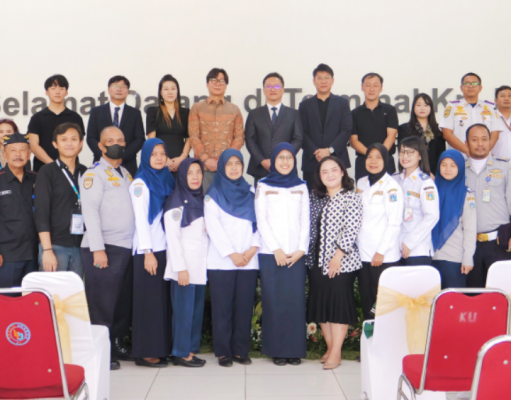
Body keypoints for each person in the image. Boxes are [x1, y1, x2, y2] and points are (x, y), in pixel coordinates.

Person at [80, 126, 135, 371]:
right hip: (105, 247)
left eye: (120, 140)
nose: (116, 144)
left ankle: (116, 343)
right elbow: (90, 212)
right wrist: (98, 248)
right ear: (101, 146)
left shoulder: (125, 172)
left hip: (125, 246)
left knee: (121, 301)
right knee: (102, 303)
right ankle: (100, 350)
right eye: (110, 141)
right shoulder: (94, 174)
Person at [254, 142, 310, 366]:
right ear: (274, 161)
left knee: (294, 302)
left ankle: (294, 350)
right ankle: (277, 350)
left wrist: (301, 249)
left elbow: (305, 220)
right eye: (281, 158)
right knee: (274, 302)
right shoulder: (263, 185)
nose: (285, 162)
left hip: (296, 254)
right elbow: (261, 220)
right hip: (271, 254)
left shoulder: (302, 186)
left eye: (289, 157)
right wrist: (275, 249)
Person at [204, 149, 260, 367]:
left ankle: (240, 350)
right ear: (222, 167)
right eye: (229, 164)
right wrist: (232, 254)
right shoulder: (213, 194)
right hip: (222, 261)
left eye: (238, 163)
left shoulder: (251, 191)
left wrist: (253, 248)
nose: (234, 168)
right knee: (222, 308)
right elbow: (214, 228)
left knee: (244, 307)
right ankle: (223, 351)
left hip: (248, 259)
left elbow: (260, 222)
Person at [306, 156, 362, 369]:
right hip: (317, 261)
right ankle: (331, 348)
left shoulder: (351, 197)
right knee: (322, 305)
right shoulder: (315, 197)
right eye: (324, 171)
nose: (329, 174)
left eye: (334, 170)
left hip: (342, 262)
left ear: (342, 172)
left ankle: (336, 353)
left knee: (338, 306)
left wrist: (338, 256)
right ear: (319, 176)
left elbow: (351, 228)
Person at [129, 138, 175, 368]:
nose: (158, 158)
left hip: (164, 249)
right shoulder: (140, 183)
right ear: (146, 157)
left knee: (161, 301)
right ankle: (145, 352)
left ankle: (160, 348)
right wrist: (148, 252)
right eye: (154, 154)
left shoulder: (167, 178)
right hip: (148, 252)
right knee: (148, 302)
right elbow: (141, 220)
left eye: (162, 153)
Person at [164, 158, 208, 368]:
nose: (195, 177)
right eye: (190, 173)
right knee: (183, 312)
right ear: (182, 176)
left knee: (195, 312)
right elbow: (172, 240)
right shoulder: (175, 203)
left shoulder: (201, 200)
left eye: (198, 172)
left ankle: (190, 350)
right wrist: (180, 269)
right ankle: (180, 353)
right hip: (184, 269)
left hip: (199, 267)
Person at [356, 144, 404, 320]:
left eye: (378, 157)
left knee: (384, 306)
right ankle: (369, 336)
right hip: (363, 254)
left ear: (386, 161)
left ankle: (386, 336)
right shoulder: (361, 182)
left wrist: (381, 252)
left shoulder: (392, 187)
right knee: (367, 301)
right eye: (369, 157)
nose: (373, 161)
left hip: (383, 256)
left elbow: (394, 223)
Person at [34, 123, 87, 277]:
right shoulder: (47, 172)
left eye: (74, 139)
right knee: (53, 290)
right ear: (55, 144)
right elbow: (41, 212)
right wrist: (47, 249)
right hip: (55, 246)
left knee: (75, 291)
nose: (69, 143)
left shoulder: (86, 172)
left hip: (82, 245)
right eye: (63, 139)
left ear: (81, 143)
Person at [464, 123, 511, 287]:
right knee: (473, 293)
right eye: (474, 139)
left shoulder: (505, 167)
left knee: (501, 292)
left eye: (484, 139)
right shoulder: (459, 169)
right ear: (466, 143)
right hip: (468, 245)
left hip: (499, 243)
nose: (480, 144)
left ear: (490, 142)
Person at [189, 68, 244, 193]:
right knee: (204, 202)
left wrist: (225, 159)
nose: (217, 84)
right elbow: (193, 137)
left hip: (227, 169)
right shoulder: (197, 108)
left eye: (221, 81)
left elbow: (239, 138)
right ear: (207, 84)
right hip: (203, 169)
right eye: (213, 80)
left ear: (226, 85)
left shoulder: (234, 110)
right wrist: (206, 159)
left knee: (228, 202)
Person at [299, 64, 353, 190]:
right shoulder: (305, 105)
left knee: (339, 197)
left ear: (332, 81)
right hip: (312, 162)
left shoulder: (342, 103)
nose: (323, 81)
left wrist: (330, 150)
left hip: (337, 160)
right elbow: (301, 132)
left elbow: (346, 130)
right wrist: (316, 152)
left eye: (327, 77)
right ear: (314, 81)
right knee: (312, 198)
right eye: (319, 78)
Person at [246, 72, 303, 185]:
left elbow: (298, 139)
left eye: (277, 86)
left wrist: (284, 158)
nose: (273, 89)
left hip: (286, 167)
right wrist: (262, 161)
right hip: (262, 169)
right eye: (269, 86)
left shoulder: (294, 114)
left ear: (283, 90)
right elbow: (250, 140)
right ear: (263, 90)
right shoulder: (254, 114)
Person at [432, 150, 476, 289]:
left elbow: (470, 229)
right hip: (430, 257)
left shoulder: (466, 195)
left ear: (460, 168)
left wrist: (468, 257)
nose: (448, 169)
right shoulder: (431, 191)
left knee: (454, 300)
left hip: (454, 258)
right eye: (444, 165)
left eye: (453, 165)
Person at [393, 136, 439, 266]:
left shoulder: (425, 183)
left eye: (410, 152)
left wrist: (409, 242)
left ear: (420, 156)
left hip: (417, 250)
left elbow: (432, 216)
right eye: (402, 152)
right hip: (395, 250)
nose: (405, 156)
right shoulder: (394, 180)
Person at [87, 75, 145, 176]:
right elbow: (91, 137)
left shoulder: (135, 113)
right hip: (101, 162)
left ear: (128, 91)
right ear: (109, 90)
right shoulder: (96, 112)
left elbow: (139, 139)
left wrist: (122, 157)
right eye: (115, 86)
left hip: (127, 164)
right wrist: (106, 156)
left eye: (123, 87)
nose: (119, 89)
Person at [0, 132, 37, 289]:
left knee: (32, 300)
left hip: (34, 254)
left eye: (22, 150)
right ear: (5, 154)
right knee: (7, 300)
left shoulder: (37, 179)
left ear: (29, 154)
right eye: (13, 150)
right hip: (7, 256)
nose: (18, 154)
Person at [28, 75, 85, 172]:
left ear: (66, 92)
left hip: (70, 168)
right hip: (42, 169)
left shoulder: (75, 117)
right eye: (53, 88)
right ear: (47, 92)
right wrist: (54, 166)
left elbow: (79, 145)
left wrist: (64, 164)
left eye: (61, 88)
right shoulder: (37, 118)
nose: (57, 92)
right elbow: (33, 146)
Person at [440, 73, 502, 157]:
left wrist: (482, 152)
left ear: (480, 88)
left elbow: (495, 134)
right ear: (461, 88)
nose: (471, 86)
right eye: (466, 83)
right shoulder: (452, 107)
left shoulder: (490, 107)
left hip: (483, 158)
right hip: (458, 158)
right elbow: (447, 134)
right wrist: (468, 151)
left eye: (475, 83)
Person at [350, 73, 399, 181]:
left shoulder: (390, 110)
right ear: (362, 87)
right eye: (368, 85)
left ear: (381, 88)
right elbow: (353, 141)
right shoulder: (355, 113)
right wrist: (371, 156)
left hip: (386, 160)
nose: (371, 89)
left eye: (375, 85)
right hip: (363, 161)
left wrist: (379, 155)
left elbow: (391, 136)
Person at [146, 74, 191, 177]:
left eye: (173, 89)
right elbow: (151, 140)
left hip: (181, 161)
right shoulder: (153, 111)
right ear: (161, 92)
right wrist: (165, 159)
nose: (170, 92)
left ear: (177, 91)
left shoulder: (185, 112)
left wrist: (182, 158)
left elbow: (189, 139)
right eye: (166, 89)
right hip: (160, 161)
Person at [398, 93, 445, 175]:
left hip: (434, 175)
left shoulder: (438, 130)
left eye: (426, 105)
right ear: (413, 108)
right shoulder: (404, 129)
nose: (422, 108)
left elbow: (441, 155)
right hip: (411, 173)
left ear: (431, 108)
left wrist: (433, 175)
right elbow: (403, 154)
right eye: (418, 105)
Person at [492, 86, 511, 159]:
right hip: (496, 162)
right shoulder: (490, 118)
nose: (506, 98)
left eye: (509, 96)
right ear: (496, 100)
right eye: (502, 96)